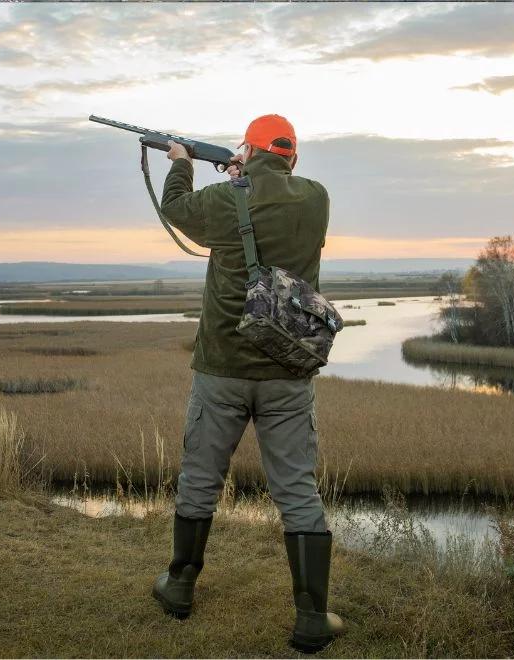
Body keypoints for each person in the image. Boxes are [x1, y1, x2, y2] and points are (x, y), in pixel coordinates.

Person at [149, 114, 344, 654]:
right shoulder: (316, 199)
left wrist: (182, 164)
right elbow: (272, 194)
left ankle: (180, 587)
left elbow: (176, 210)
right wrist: (244, 174)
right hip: (287, 371)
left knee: (200, 478)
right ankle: (311, 618)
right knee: (297, 491)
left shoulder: (223, 198)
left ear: (247, 149)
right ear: (292, 156)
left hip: (222, 370)